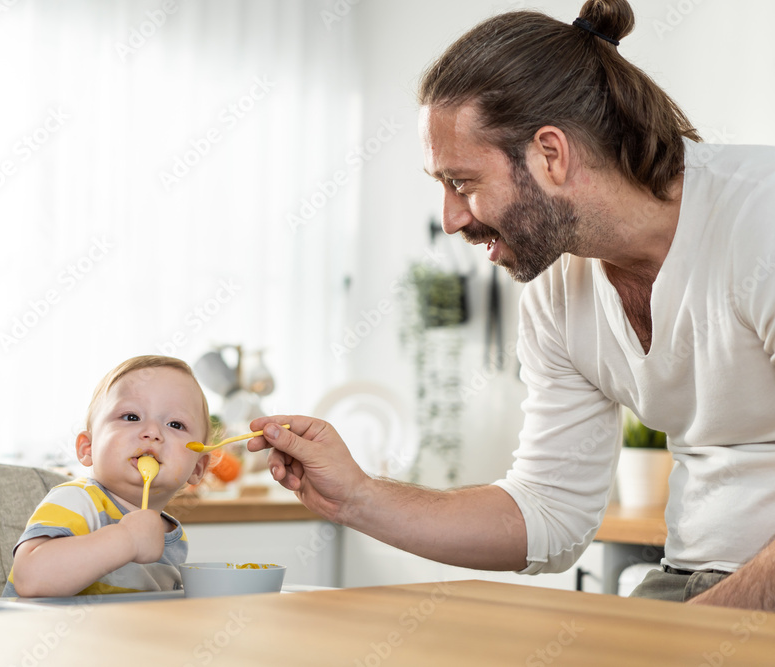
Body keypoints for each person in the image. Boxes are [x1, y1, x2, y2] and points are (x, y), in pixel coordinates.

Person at [248, 0, 775, 611]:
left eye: (462, 182)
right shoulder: (558, 290)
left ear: (550, 154)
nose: (450, 219)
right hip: (692, 577)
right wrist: (356, 496)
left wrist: (694, 633)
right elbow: (549, 511)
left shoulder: (758, 219)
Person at [3, 355, 211, 597]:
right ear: (87, 448)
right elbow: (31, 579)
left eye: (175, 424)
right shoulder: (78, 500)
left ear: (197, 468)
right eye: (131, 417)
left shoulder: (174, 535)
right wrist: (128, 540)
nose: (152, 432)